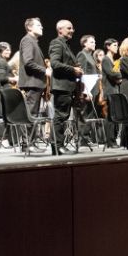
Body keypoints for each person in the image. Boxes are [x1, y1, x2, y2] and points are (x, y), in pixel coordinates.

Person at [48, 19, 83, 155]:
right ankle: (57, 146)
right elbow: (54, 64)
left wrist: (76, 68)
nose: (72, 30)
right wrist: (73, 69)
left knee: (63, 116)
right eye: (69, 28)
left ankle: (58, 145)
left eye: (72, 28)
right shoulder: (56, 43)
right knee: (60, 116)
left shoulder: (65, 45)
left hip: (66, 86)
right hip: (62, 86)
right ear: (60, 30)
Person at [18, 17, 51, 116]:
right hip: (32, 84)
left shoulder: (32, 41)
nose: (42, 27)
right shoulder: (27, 40)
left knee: (34, 115)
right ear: (29, 27)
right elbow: (28, 62)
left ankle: (32, 132)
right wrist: (45, 70)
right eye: (38, 25)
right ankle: (30, 132)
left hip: (35, 84)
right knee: (31, 115)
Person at [102, 38, 122, 148]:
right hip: (109, 91)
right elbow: (111, 74)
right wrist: (120, 75)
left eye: (117, 45)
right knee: (110, 117)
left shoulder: (112, 60)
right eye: (114, 45)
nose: (117, 47)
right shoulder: (106, 59)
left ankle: (113, 139)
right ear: (108, 46)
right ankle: (110, 141)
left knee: (114, 117)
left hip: (114, 90)